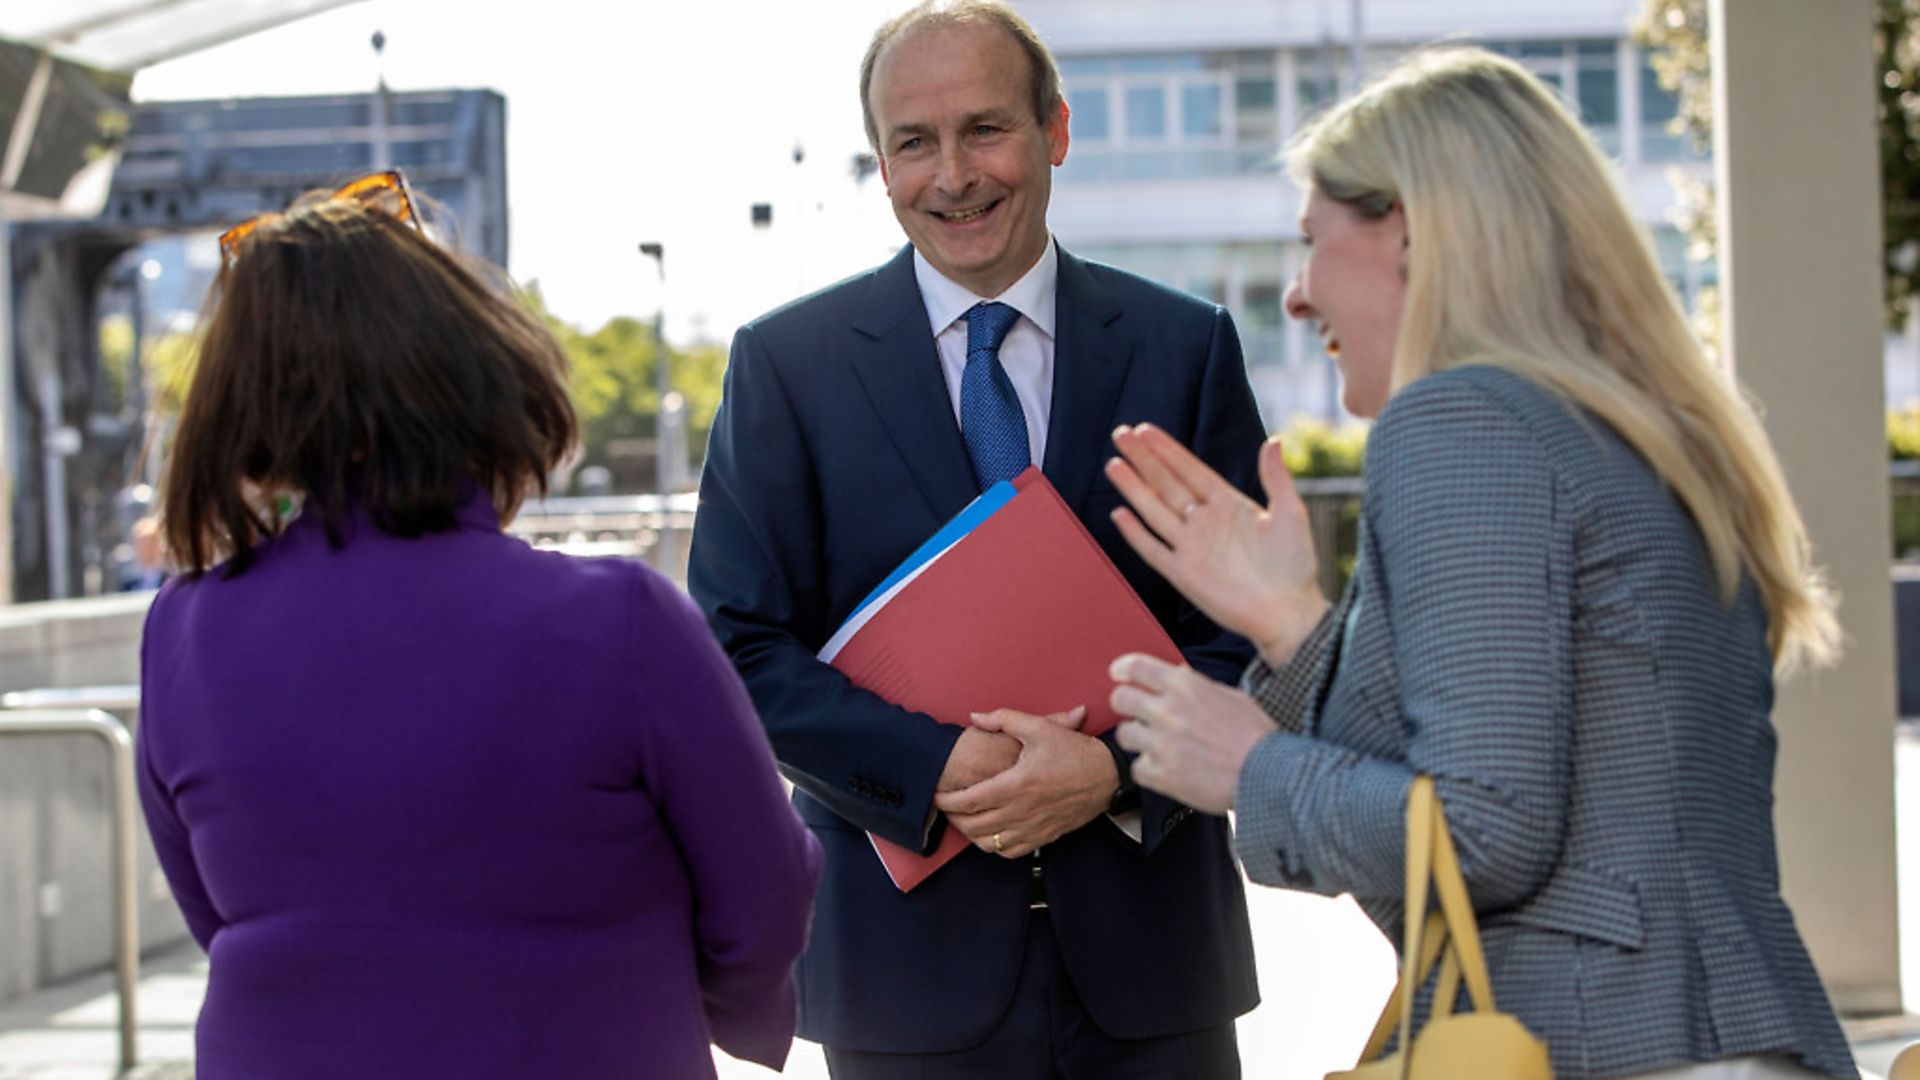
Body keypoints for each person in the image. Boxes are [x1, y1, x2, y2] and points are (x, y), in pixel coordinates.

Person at [1104, 48, 1857, 1080]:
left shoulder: (1459, 422)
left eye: (1312, 242)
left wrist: (1247, 764)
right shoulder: (1635, 435)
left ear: (1408, 232)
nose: (1295, 294)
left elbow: (1484, 836)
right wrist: (1292, 625)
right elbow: (1454, 866)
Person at [686, 2, 1268, 1074]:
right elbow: (738, 649)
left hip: (1154, 971)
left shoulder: (1185, 348)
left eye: (985, 129)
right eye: (914, 142)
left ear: (1054, 131)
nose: (953, 175)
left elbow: (1251, 631)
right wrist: (940, 766)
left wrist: (1113, 770)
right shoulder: (787, 366)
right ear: (882, 161)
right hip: (903, 984)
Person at [136, 172, 821, 1080]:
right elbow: (765, 894)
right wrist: (694, 1000)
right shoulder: (619, 620)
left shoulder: (181, 633)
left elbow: (216, 914)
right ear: (475, 369)